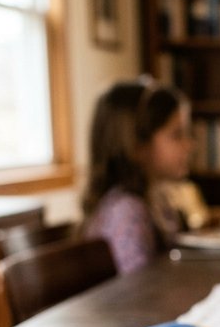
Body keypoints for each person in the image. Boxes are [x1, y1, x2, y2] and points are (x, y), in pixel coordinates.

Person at [81, 78, 192, 274]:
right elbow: (143, 292)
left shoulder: (156, 199)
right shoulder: (128, 212)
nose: (188, 145)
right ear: (137, 145)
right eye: (176, 135)